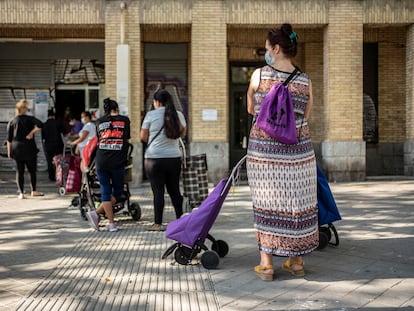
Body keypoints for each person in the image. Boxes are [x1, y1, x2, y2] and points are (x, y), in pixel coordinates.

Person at [246, 23, 318, 281]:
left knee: (266, 203)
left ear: (276, 48)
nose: (266, 52)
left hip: (264, 154)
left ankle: (266, 265)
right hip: (298, 154)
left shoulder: (259, 76)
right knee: (297, 204)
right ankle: (296, 263)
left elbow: (251, 111)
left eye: (267, 48)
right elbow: (306, 116)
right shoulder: (305, 80)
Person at [140, 89, 187, 231]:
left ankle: (158, 224)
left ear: (157, 102)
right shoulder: (177, 115)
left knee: (158, 192)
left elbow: (143, 137)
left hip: (154, 159)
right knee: (174, 191)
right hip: (173, 158)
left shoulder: (151, 115)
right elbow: (182, 132)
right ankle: (180, 221)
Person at [85, 98, 130, 232]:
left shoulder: (99, 122)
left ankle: (99, 215)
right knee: (118, 191)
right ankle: (109, 221)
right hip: (117, 161)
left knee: (105, 190)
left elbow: (99, 141)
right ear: (116, 109)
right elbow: (126, 139)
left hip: (101, 160)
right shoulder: (124, 120)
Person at [6, 99, 44, 199]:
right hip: (29, 148)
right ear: (25, 109)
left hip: (17, 149)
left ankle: (21, 193)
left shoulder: (12, 121)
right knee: (32, 171)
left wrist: (9, 151)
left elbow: (9, 139)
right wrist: (32, 133)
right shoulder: (30, 119)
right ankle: (33, 191)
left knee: (20, 172)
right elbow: (41, 124)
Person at [41, 109, 67, 182]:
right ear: (54, 115)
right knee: (59, 161)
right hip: (58, 144)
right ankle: (59, 176)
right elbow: (64, 132)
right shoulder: (58, 123)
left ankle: (51, 177)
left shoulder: (44, 124)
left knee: (49, 161)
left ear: (48, 116)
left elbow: (42, 138)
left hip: (48, 146)